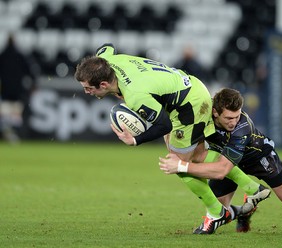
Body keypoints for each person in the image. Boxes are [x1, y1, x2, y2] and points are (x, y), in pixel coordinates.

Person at [74, 44, 270, 234]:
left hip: (187, 108)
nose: (86, 92)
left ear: (103, 84)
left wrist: (135, 140)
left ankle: (217, 212)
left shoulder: (136, 96)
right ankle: (253, 188)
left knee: (177, 164)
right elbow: (106, 46)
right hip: (192, 87)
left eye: (88, 88)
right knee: (199, 156)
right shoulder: (107, 61)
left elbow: (164, 125)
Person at [159, 88, 282, 236]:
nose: (233, 122)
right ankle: (246, 209)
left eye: (237, 116)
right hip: (227, 159)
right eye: (229, 117)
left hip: (260, 159)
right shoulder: (203, 113)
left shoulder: (241, 128)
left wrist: (181, 166)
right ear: (215, 112)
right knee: (218, 210)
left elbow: (221, 171)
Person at [0, 33, 35, 143]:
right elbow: (30, 70)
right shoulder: (20, 55)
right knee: (16, 111)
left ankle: (8, 131)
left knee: (6, 111)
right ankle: (14, 132)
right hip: (18, 89)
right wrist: (33, 83)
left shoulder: (2, 55)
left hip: (5, 89)